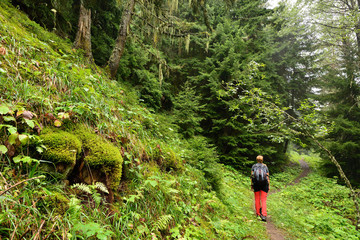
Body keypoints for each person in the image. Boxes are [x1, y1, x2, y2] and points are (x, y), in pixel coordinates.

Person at [251, 155, 270, 221]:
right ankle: (264, 214)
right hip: (264, 184)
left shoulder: (254, 166)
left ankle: (258, 213)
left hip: (256, 184)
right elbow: (267, 177)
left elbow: (252, 176)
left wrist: (252, 185)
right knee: (263, 200)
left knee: (257, 199)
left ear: (256, 160)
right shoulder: (265, 166)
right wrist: (268, 185)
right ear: (262, 160)